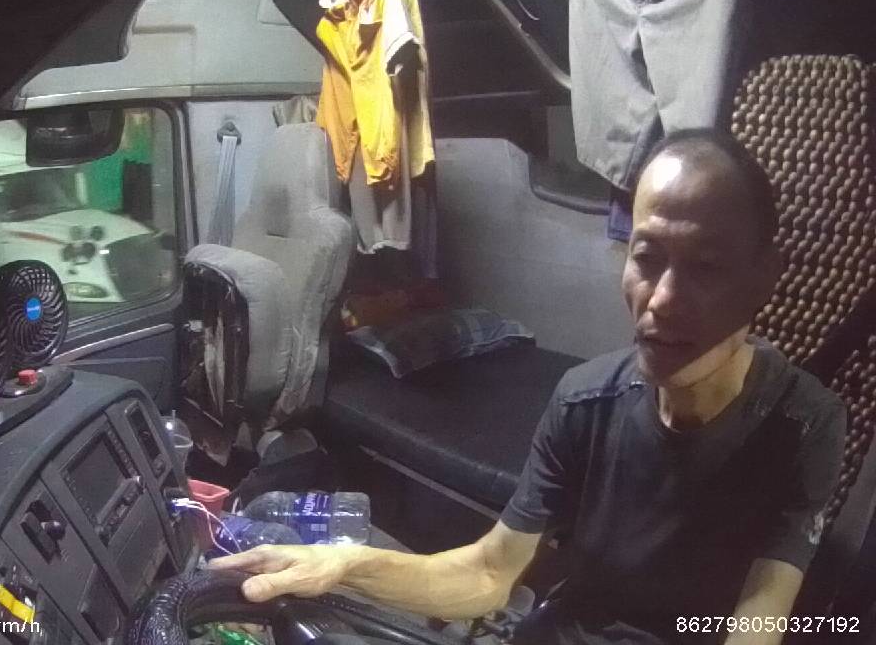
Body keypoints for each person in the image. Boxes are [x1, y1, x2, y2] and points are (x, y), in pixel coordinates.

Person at [209, 129, 846, 644]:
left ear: (763, 279)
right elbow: (490, 573)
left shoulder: (803, 422)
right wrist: (344, 566)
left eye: (706, 268)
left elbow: (760, 619)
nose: (663, 301)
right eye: (648, 259)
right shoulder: (584, 401)